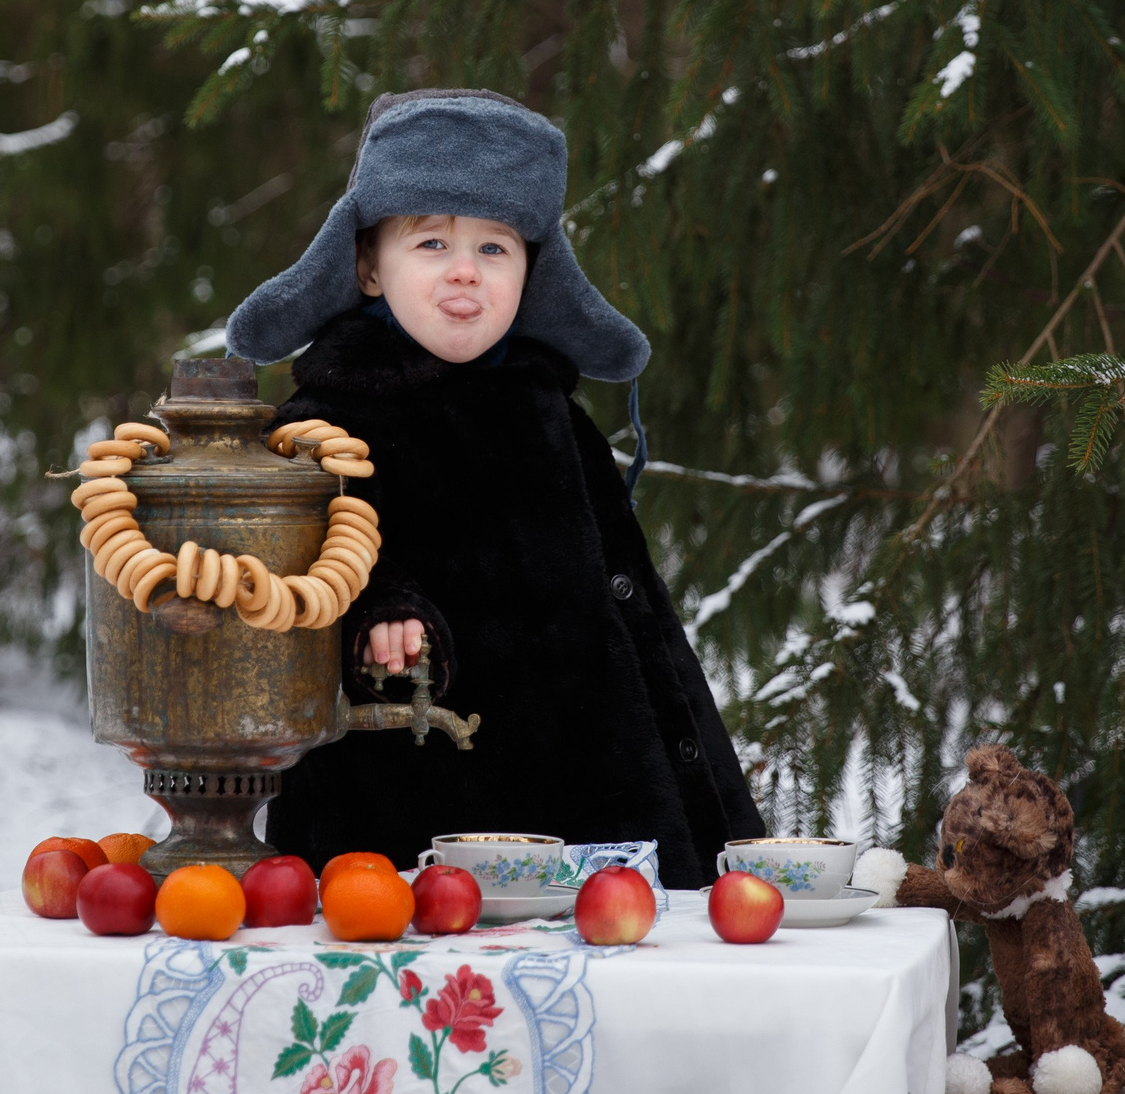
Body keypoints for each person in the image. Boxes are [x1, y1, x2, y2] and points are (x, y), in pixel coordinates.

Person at [225, 87, 764, 888]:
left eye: (494, 247)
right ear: (369, 265)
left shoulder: (551, 410)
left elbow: (625, 609)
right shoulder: (332, 418)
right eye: (432, 242)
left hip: (597, 812)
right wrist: (379, 605)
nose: (464, 271)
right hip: (416, 828)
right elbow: (308, 556)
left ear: (532, 272)